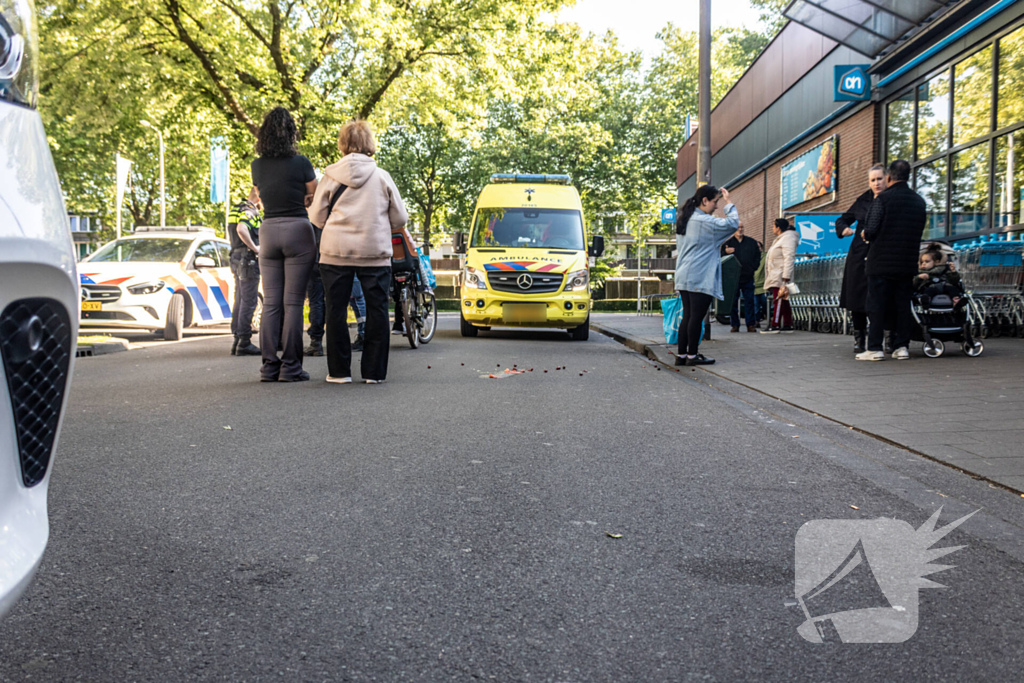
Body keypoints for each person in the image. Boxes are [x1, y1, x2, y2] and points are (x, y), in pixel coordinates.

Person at [308, 119, 409, 384]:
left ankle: (339, 372)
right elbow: (400, 218)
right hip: (374, 252)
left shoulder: (330, 177)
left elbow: (317, 218)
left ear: (342, 145)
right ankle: (374, 373)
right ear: (369, 144)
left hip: (335, 252)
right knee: (377, 310)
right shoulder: (382, 176)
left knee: (336, 310)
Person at [251, 106, 318, 382]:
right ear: (291, 133)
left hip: (268, 232)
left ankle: (269, 367)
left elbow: (259, 196)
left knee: (271, 303)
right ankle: (290, 367)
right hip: (298, 230)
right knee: (293, 303)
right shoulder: (302, 163)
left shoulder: (257, 166)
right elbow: (314, 195)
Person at [857, 159, 927, 361]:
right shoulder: (918, 201)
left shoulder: (882, 199)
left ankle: (875, 348)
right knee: (902, 305)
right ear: (908, 176)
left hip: (881, 262)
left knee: (876, 305)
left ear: (888, 177)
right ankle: (901, 347)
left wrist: (864, 235)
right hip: (906, 263)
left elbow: (870, 230)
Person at [673, 185, 740, 366]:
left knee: (687, 316)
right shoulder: (704, 221)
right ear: (704, 201)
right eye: (715, 202)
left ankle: (681, 356)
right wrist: (729, 203)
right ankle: (692, 356)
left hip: (683, 273)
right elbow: (733, 224)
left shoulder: (686, 220)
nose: (716, 206)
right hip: (700, 275)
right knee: (696, 317)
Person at [836, 164, 887, 353]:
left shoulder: (889, 200)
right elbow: (842, 219)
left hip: (880, 253)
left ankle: (886, 336)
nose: (876, 183)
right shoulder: (863, 200)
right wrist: (843, 229)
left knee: (881, 297)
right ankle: (859, 337)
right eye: (873, 180)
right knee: (856, 296)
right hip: (858, 254)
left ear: (887, 179)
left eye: (879, 179)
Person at [228, 186, 262, 357]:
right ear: (259, 196)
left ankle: (237, 340)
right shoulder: (250, 211)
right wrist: (255, 248)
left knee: (240, 298)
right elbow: (242, 229)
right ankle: (244, 341)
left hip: (236, 257)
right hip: (247, 260)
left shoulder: (236, 208)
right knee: (249, 301)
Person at [721, 221, 761, 332]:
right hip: (733, 278)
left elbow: (758, 256)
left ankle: (750, 324)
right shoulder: (727, 244)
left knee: (749, 301)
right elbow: (721, 259)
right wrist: (725, 252)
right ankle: (735, 324)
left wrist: (754, 267)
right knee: (733, 301)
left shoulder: (751, 242)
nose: (740, 229)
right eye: (738, 227)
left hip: (748, 276)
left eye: (742, 227)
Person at [761, 218, 799, 333]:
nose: (772, 228)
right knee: (784, 299)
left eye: (773, 226)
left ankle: (775, 325)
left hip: (781, 275)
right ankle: (788, 324)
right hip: (776, 273)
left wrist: (786, 275)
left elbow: (789, 257)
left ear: (778, 228)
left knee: (778, 299)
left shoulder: (787, 238)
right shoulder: (781, 238)